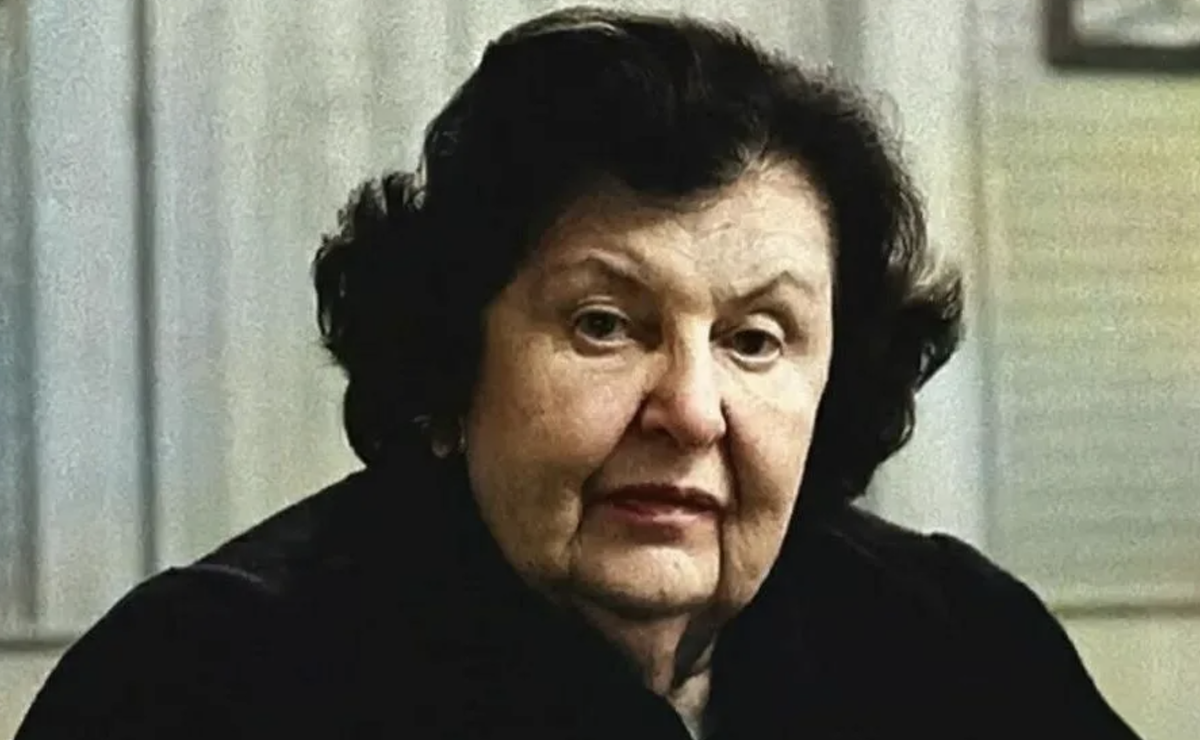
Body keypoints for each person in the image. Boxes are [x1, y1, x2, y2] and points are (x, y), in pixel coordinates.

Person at [16, 6, 1142, 739]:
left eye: (755, 339)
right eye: (605, 325)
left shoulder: (956, 639)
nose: (690, 410)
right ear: (451, 360)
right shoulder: (203, 681)